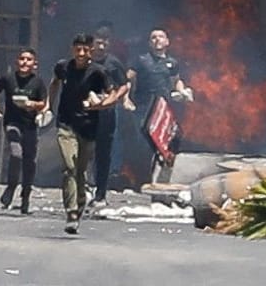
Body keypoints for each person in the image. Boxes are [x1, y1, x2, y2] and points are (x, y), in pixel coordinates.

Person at [48, 33, 109, 235]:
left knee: (80, 170)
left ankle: (80, 205)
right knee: (69, 166)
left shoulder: (98, 72)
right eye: (77, 49)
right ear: (72, 49)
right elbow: (54, 83)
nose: (81, 53)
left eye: (85, 49)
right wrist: (48, 106)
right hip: (66, 124)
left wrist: (97, 102)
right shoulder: (63, 67)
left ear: (91, 50)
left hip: (88, 126)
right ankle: (71, 212)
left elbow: (108, 95)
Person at [125, 27, 191, 184]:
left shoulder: (172, 63)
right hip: (143, 107)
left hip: (163, 110)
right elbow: (127, 80)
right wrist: (126, 99)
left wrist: (182, 92)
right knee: (144, 143)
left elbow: (176, 81)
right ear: (149, 43)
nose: (157, 40)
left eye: (161, 37)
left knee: (164, 142)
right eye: (153, 37)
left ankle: (160, 179)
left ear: (167, 42)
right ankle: (141, 179)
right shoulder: (141, 60)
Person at [0, 48, 48, 214]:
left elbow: (44, 103)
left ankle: (26, 195)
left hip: (30, 126)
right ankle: (11, 186)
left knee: (30, 162)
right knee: (16, 153)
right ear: (17, 61)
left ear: (34, 64)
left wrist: (32, 105)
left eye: (28, 60)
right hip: (12, 123)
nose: (24, 62)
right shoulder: (9, 79)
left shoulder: (37, 82)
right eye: (22, 59)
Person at [89, 32, 132, 208]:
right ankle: (84, 188)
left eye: (104, 43)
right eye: (98, 43)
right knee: (83, 151)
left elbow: (124, 84)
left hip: (106, 113)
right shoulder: (85, 62)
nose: (101, 47)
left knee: (103, 153)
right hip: (86, 112)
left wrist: (116, 99)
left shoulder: (113, 63)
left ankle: (100, 193)